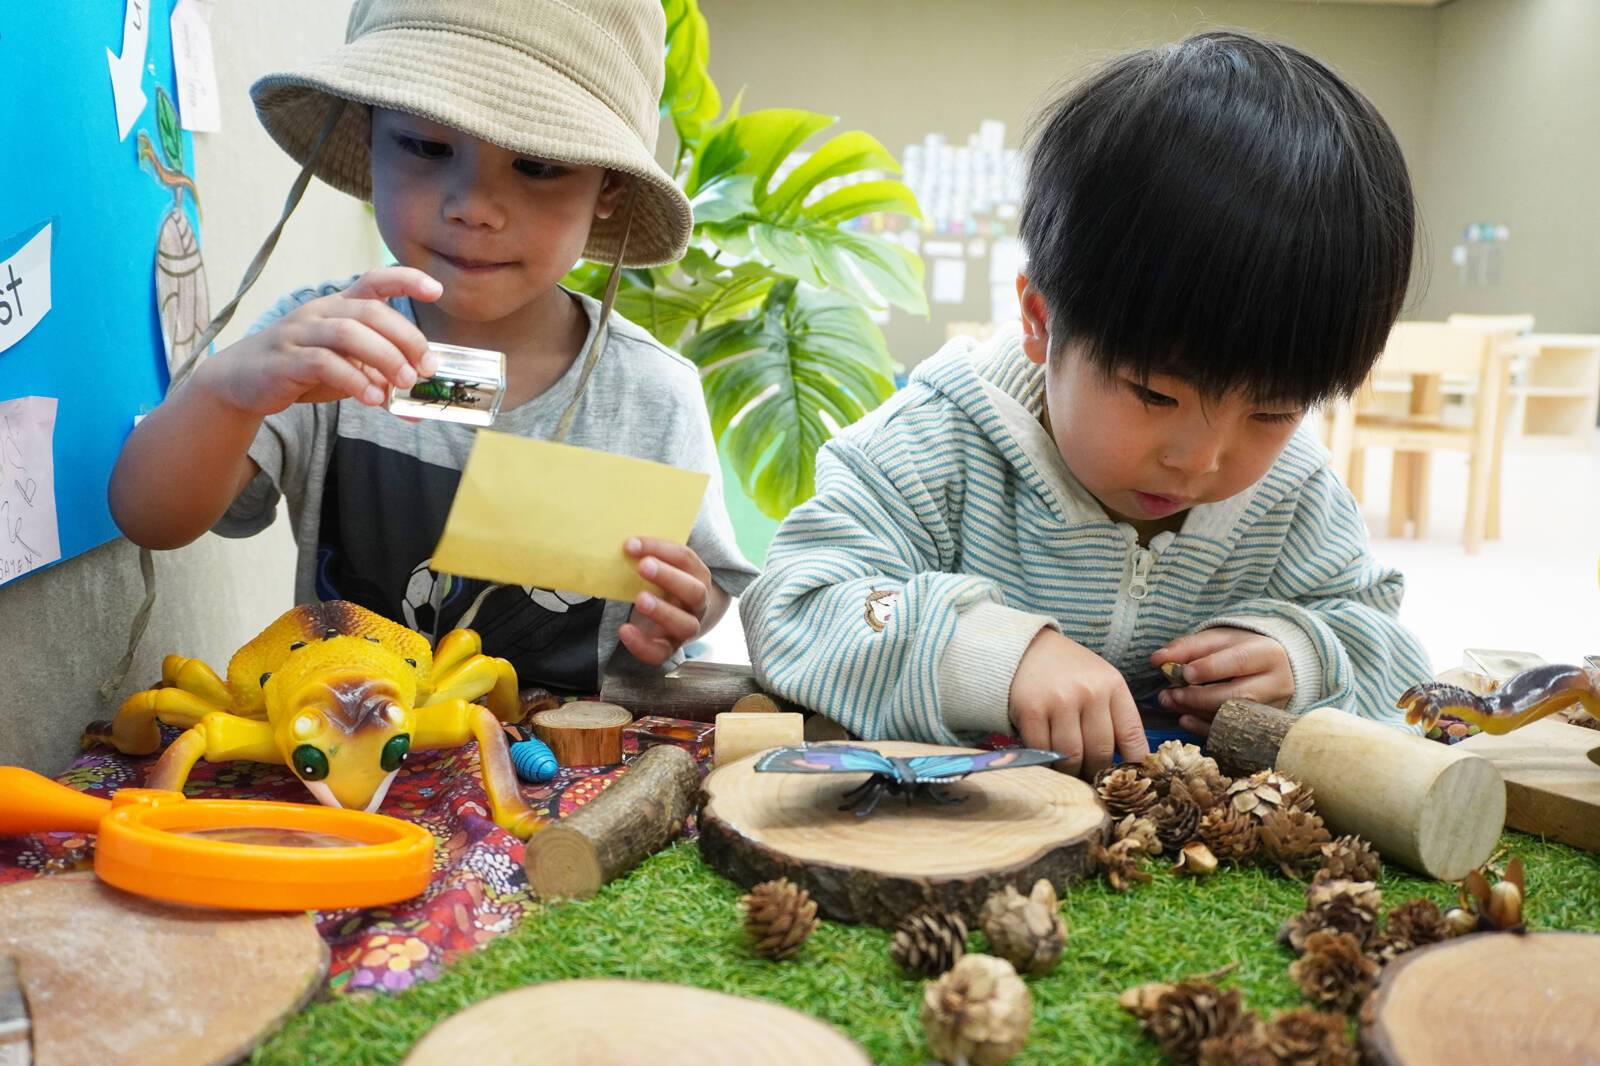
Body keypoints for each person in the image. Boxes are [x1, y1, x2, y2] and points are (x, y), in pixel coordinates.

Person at [741, 31, 1434, 777]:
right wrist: (990, 656)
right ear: (1041, 320)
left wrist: (1304, 657)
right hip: (969, 847)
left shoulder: (1294, 494)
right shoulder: (929, 448)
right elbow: (798, 606)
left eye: (1272, 411)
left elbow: (1395, 660)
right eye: (1154, 393)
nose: (1199, 457)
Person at [109, 0, 756, 695]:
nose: (473, 205)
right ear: (368, 134)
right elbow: (151, 518)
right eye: (427, 146)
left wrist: (685, 607)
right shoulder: (322, 345)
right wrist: (222, 392)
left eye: (536, 165)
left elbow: (711, 583)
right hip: (349, 755)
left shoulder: (653, 395)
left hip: (580, 779)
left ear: (611, 187)